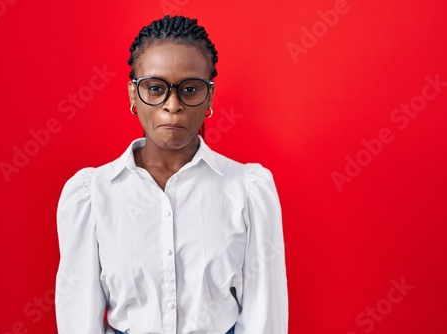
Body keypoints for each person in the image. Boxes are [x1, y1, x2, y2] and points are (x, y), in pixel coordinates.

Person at [55, 15, 288, 334]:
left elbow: (265, 314)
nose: (172, 105)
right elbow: (79, 319)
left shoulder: (248, 189)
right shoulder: (91, 195)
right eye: (155, 88)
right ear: (133, 95)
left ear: (209, 96)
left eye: (190, 89)